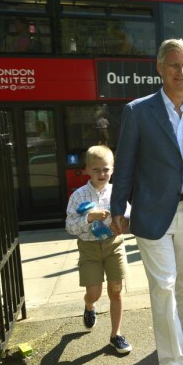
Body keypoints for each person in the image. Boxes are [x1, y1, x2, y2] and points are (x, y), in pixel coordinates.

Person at [110, 38, 183, 365]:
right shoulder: (138, 111)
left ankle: (177, 331)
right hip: (153, 213)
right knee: (165, 287)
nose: (182, 72)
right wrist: (117, 208)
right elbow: (124, 164)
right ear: (159, 68)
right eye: (174, 65)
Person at [65, 145, 132, 354]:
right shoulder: (78, 195)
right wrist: (90, 217)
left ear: (112, 169)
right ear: (87, 170)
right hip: (89, 249)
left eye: (106, 169)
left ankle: (116, 335)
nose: (101, 174)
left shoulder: (117, 193)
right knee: (94, 293)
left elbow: (128, 218)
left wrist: (122, 225)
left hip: (114, 246)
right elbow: (69, 225)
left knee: (116, 291)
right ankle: (89, 306)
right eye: (96, 169)